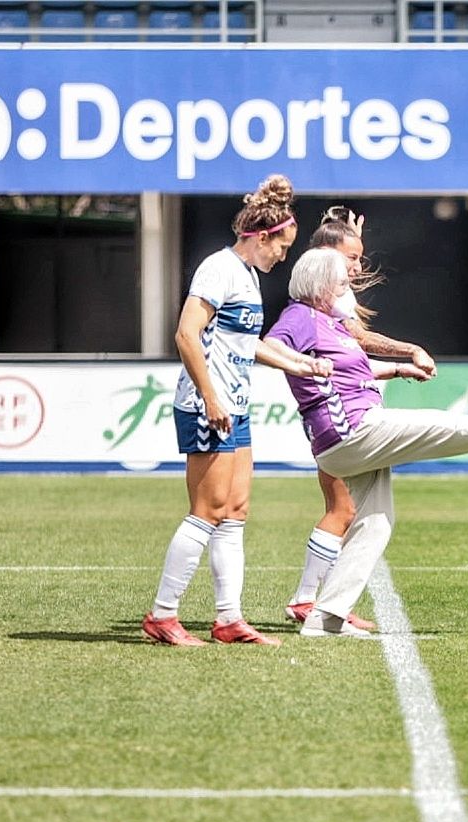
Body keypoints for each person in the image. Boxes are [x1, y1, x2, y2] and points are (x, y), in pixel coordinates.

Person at [265, 247, 468, 637]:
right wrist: (303, 365)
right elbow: (269, 346)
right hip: (352, 431)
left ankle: (326, 616)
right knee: (448, 426)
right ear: (320, 286)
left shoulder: (332, 323)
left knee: (377, 522)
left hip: (348, 438)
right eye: (342, 283)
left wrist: (400, 368)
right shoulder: (301, 316)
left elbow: (357, 367)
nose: (349, 290)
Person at [143, 175, 332, 648]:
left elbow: (247, 347)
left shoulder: (247, 277)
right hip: (208, 406)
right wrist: (210, 398)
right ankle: (163, 614)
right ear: (261, 237)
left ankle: (228, 619)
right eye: (282, 248)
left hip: (235, 407)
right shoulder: (218, 269)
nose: (282, 257)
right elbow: (187, 335)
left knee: (236, 510)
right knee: (207, 511)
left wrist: (300, 363)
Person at [283, 206, 439, 633]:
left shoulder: (331, 284)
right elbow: (359, 338)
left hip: (352, 405)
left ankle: (314, 599)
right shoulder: (322, 294)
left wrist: (345, 234)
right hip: (341, 414)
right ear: (328, 254)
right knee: (343, 507)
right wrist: (408, 350)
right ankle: (308, 600)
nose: (358, 265)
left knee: (344, 508)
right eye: (351, 257)